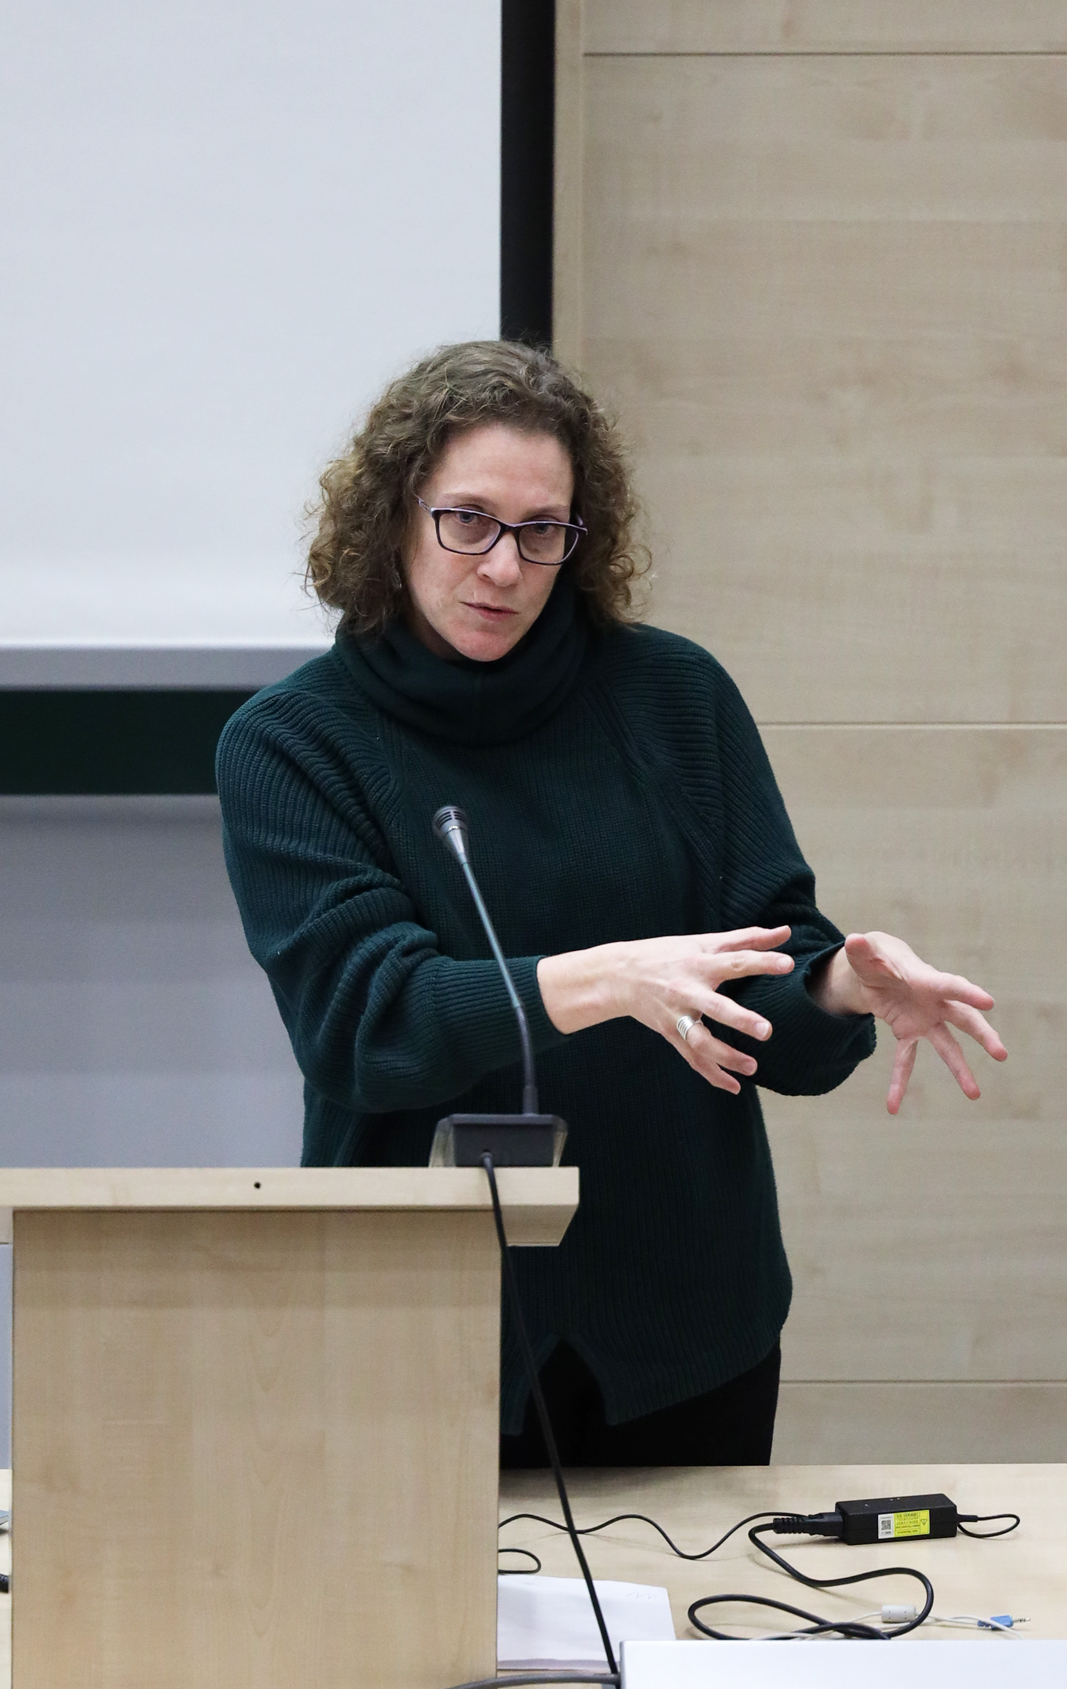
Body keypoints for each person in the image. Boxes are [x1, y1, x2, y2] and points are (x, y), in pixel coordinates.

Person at [216, 340, 1006, 1470]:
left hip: (685, 1319)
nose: (503, 566)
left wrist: (839, 985)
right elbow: (366, 1027)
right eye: (468, 521)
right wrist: (608, 979)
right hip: (418, 1326)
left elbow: (762, 995)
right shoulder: (294, 744)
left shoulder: (675, 699)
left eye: (542, 530)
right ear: (392, 517)